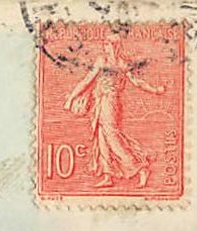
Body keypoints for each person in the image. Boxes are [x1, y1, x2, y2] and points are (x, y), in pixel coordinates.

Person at [63, 26, 164, 190]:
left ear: (115, 45)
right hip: (100, 101)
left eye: (108, 43)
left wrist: (155, 90)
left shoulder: (121, 63)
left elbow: (137, 81)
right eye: (105, 42)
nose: (105, 45)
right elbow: (87, 80)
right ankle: (107, 175)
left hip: (111, 102)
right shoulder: (102, 61)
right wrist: (72, 96)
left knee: (111, 136)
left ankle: (139, 168)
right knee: (101, 137)